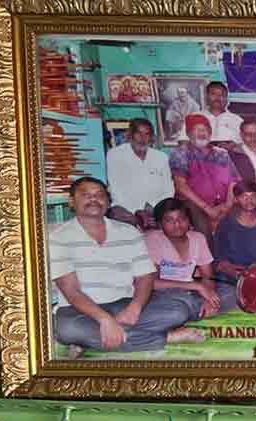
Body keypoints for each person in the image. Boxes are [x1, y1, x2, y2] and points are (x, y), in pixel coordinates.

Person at [49, 177, 203, 355]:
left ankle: (92, 339)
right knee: (68, 329)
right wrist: (105, 319)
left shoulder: (128, 232)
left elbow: (145, 277)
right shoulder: (59, 238)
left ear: (108, 201)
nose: (93, 199)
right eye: (85, 195)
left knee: (178, 311)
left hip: (123, 304)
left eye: (99, 195)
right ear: (71, 201)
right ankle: (166, 337)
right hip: (79, 310)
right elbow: (71, 291)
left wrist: (135, 307)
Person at [145, 197, 229, 316]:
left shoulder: (198, 238)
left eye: (182, 218)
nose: (177, 224)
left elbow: (208, 277)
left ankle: (198, 309)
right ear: (160, 224)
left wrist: (208, 298)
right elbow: (151, 283)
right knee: (181, 307)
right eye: (169, 220)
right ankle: (193, 311)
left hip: (191, 290)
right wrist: (197, 286)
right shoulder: (152, 239)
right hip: (162, 293)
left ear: (189, 221)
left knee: (230, 293)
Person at [169, 115, 239, 236]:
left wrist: (228, 205)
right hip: (195, 205)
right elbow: (181, 186)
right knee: (203, 228)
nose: (202, 133)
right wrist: (207, 208)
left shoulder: (222, 154)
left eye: (205, 130)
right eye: (197, 129)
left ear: (210, 133)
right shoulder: (181, 153)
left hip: (224, 203)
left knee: (242, 219)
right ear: (188, 134)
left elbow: (233, 181)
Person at [104, 118, 173, 229]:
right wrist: (137, 211)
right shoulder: (115, 155)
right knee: (119, 215)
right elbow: (116, 191)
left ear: (152, 137)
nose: (143, 138)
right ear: (130, 135)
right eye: (138, 133)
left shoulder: (161, 157)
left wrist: (154, 208)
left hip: (156, 208)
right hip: (127, 209)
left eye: (147, 134)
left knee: (171, 218)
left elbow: (169, 190)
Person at [196, 81, 244, 145]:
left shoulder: (237, 120)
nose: (217, 98)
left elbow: (245, 145)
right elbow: (184, 142)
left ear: (226, 98)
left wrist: (234, 146)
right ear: (206, 96)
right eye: (213, 94)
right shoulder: (194, 118)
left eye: (222, 95)